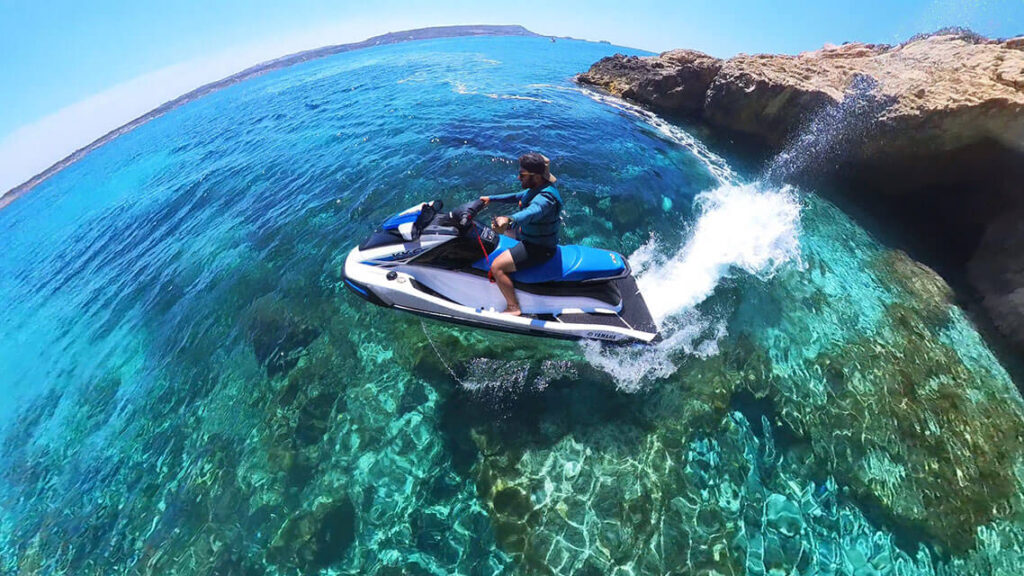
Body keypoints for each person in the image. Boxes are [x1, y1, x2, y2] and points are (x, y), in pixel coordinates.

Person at [479, 153, 563, 316]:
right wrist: (490, 199)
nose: (518, 178)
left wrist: (509, 220)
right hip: (530, 236)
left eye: (522, 175)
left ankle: (513, 307)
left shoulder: (545, 199)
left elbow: (531, 212)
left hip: (538, 248)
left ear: (536, 176)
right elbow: (517, 196)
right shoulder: (537, 188)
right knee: (503, 235)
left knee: (497, 267)